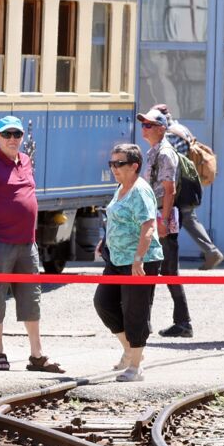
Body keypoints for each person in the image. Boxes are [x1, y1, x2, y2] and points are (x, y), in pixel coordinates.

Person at [0, 116, 61, 373]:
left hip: (27, 244)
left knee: (32, 298)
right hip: (1, 244)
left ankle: (36, 355)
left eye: (16, 135)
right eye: (7, 134)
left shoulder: (26, 160)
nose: (12, 139)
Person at [94, 143, 163, 382]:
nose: (114, 168)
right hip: (116, 258)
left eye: (119, 164)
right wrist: (105, 241)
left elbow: (148, 225)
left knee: (135, 311)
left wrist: (138, 259)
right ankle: (130, 351)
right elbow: (116, 218)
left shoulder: (140, 190)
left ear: (134, 166)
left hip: (138, 261)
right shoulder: (122, 187)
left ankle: (135, 367)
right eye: (111, 163)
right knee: (104, 303)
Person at [137, 107, 192, 337]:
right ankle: (150, 322)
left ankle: (182, 323)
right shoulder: (154, 151)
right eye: (143, 124)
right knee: (155, 271)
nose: (144, 128)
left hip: (162, 217)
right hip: (156, 216)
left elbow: (169, 190)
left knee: (166, 271)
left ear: (161, 129)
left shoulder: (165, 153)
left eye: (149, 125)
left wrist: (164, 221)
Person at [149, 103, 223, 270]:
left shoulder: (169, 135)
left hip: (177, 185)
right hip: (189, 182)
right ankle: (210, 252)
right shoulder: (181, 129)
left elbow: (169, 162)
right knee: (187, 218)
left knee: (167, 219)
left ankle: (165, 263)